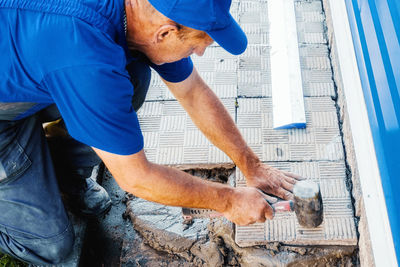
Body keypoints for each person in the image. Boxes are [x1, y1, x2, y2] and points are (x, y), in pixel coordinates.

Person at [0, 0, 301, 264]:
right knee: (51, 246)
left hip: (27, 75)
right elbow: (136, 178)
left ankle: (61, 176)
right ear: (166, 33)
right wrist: (229, 201)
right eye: (198, 44)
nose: (199, 53)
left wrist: (252, 165)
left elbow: (193, 93)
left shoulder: (146, 14)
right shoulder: (86, 54)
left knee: (131, 75)